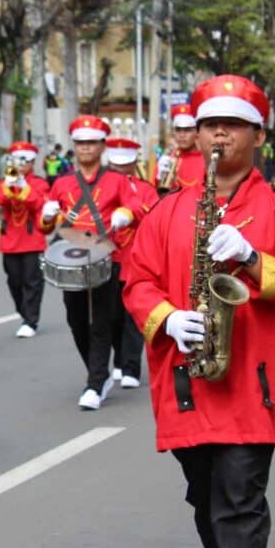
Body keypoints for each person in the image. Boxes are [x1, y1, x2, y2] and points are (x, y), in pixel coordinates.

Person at [124, 75, 275, 548]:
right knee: (206, 500)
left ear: (259, 136)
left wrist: (251, 257)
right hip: (188, 380)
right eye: (209, 125)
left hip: (255, 381)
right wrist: (168, 318)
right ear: (196, 136)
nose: (219, 134)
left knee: (240, 501)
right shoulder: (170, 210)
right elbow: (137, 281)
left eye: (234, 125)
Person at [40, 115, 143, 410]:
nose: (86, 148)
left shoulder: (117, 180)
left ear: (102, 146)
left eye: (92, 143)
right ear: (75, 147)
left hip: (106, 257)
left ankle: (95, 383)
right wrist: (46, 217)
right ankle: (96, 372)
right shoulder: (61, 183)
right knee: (75, 320)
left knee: (102, 320)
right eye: (81, 143)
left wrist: (126, 213)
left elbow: (135, 205)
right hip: (71, 259)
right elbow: (47, 225)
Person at [105, 137, 158, 390]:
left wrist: (130, 211)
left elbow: (152, 208)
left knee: (132, 318)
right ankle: (118, 361)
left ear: (134, 164)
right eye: (115, 165)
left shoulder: (144, 188)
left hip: (135, 259)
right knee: (111, 317)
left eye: (124, 165)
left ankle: (131, 367)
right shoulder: (101, 187)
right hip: (106, 259)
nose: (119, 171)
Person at [0, 141, 47, 338]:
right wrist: (10, 184)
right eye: (17, 162)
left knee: (32, 282)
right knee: (14, 282)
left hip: (32, 241)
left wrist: (24, 187)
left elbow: (39, 204)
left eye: (25, 162)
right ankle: (25, 314)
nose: (21, 166)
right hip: (10, 242)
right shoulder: (7, 181)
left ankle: (31, 321)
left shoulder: (39, 183)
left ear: (32, 163)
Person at [158, 103, 205, 192]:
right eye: (178, 130)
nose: (182, 135)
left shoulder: (206, 158)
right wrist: (159, 178)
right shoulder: (168, 158)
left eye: (187, 130)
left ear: (197, 132)